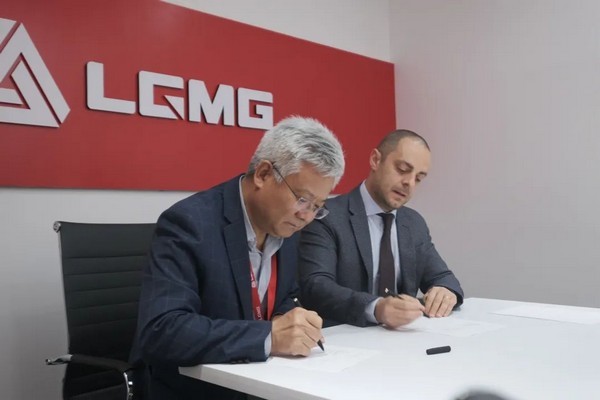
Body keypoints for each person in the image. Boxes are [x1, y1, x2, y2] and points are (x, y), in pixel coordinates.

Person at [130, 116, 345, 400]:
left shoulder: (286, 225)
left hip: (262, 382)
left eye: (317, 206)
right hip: (197, 392)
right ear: (264, 174)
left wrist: (287, 317)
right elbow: (163, 330)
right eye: (302, 199)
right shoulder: (189, 223)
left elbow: (283, 294)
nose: (306, 216)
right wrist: (269, 336)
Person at [298, 129, 463, 328]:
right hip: (343, 337)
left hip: (402, 339)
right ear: (376, 160)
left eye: (418, 178)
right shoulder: (326, 216)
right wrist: (376, 308)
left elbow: (442, 277)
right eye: (402, 169)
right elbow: (316, 286)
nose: (409, 183)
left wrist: (445, 291)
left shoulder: (413, 223)